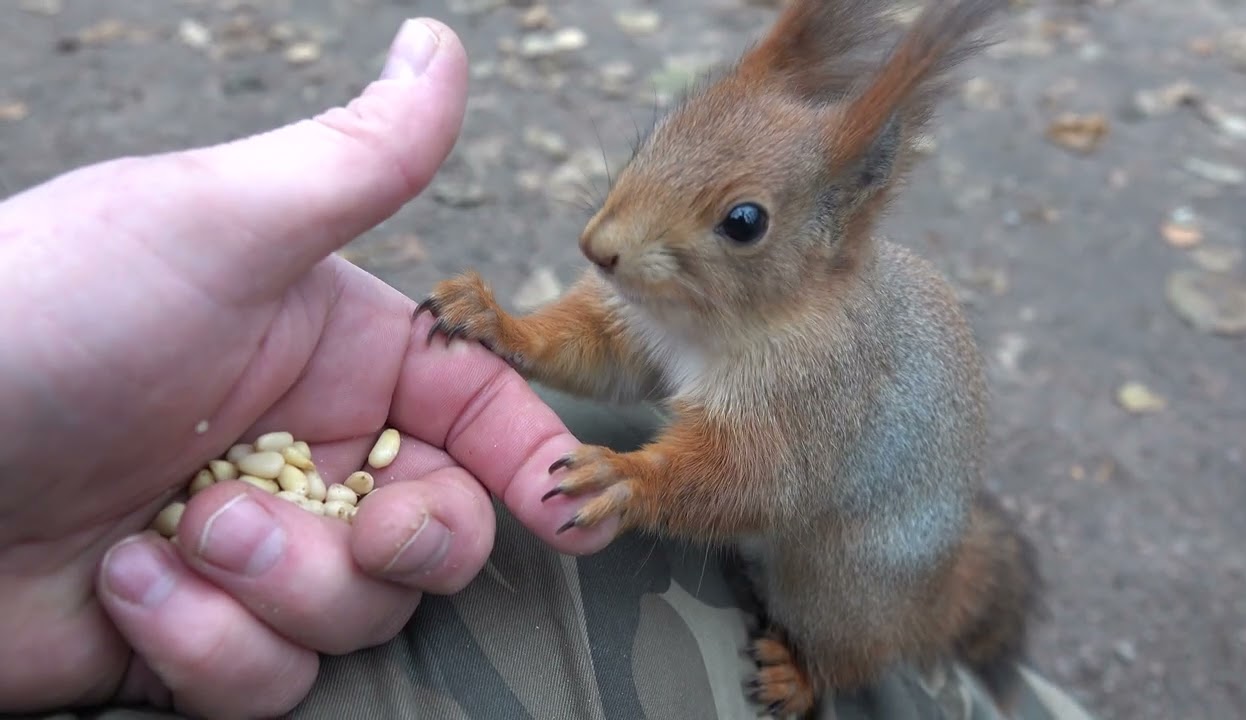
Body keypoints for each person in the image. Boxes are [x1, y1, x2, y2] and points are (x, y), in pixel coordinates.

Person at [0, 17, 1096, 720]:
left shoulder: (803, 353)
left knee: (831, 593)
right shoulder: (677, 282)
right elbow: (612, 332)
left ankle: (834, 672)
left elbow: (760, 480)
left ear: (834, 223)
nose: (608, 241)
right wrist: (521, 337)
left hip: (855, 536)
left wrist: (646, 482)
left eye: (739, 223)